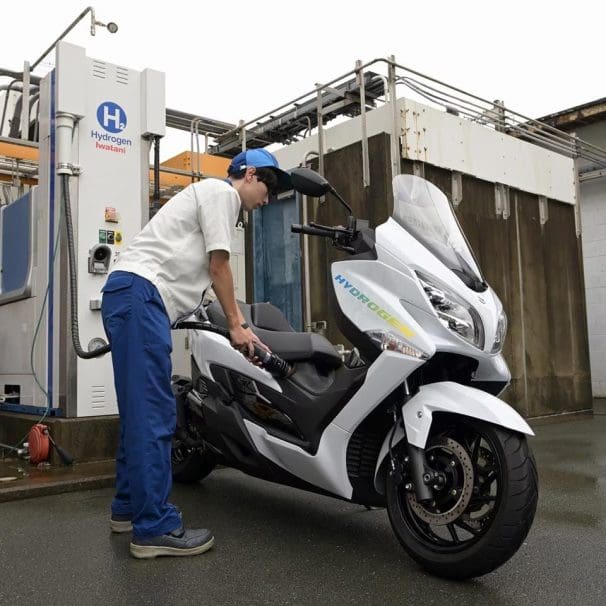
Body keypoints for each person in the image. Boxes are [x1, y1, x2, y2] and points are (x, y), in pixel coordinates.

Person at [101, 149, 291, 559]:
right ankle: (153, 527)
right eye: (269, 186)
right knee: (155, 413)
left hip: (131, 296)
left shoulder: (207, 200)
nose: (269, 199)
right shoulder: (221, 195)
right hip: (140, 297)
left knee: (139, 411)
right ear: (250, 174)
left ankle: (128, 508)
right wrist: (239, 325)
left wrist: (233, 325)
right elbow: (219, 266)